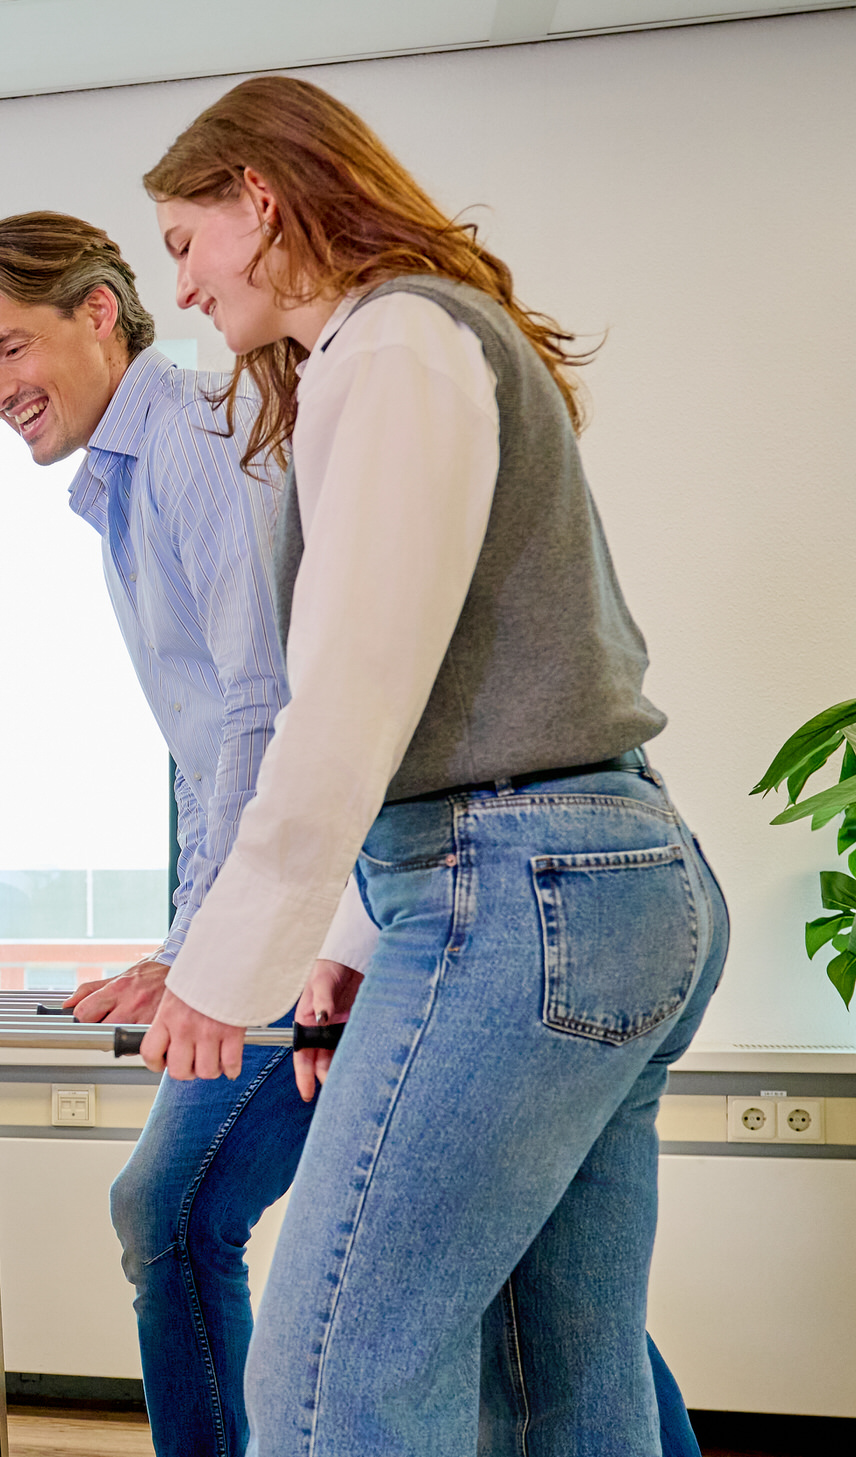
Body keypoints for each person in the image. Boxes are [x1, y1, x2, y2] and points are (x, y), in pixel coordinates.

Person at [140, 76, 726, 1454]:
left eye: (183, 241)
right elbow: (426, 686)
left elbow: (350, 695)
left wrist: (226, 965)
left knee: (331, 1378)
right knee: (556, 1390)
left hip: (521, 892)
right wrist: (352, 936)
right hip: (596, 879)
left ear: (258, 199)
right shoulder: (422, 339)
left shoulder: (393, 343)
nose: (183, 287)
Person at [0, 211, 298, 1457]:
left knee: (173, 1211)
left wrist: (202, 954)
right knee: (519, 1277)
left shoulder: (195, 444)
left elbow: (261, 709)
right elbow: (203, 755)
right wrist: (179, 939)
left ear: (99, 311)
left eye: (10, 347)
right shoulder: (122, 486)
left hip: (333, 918)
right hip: (286, 912)